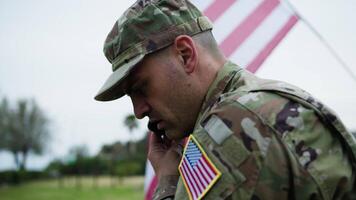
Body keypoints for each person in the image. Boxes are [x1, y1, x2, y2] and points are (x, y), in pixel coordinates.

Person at [94, 0, 356, 199]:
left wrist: (167, 183)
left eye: (141, 87)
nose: (138, 111)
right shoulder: (259, 102)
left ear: (185, 55)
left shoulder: (231, 126)